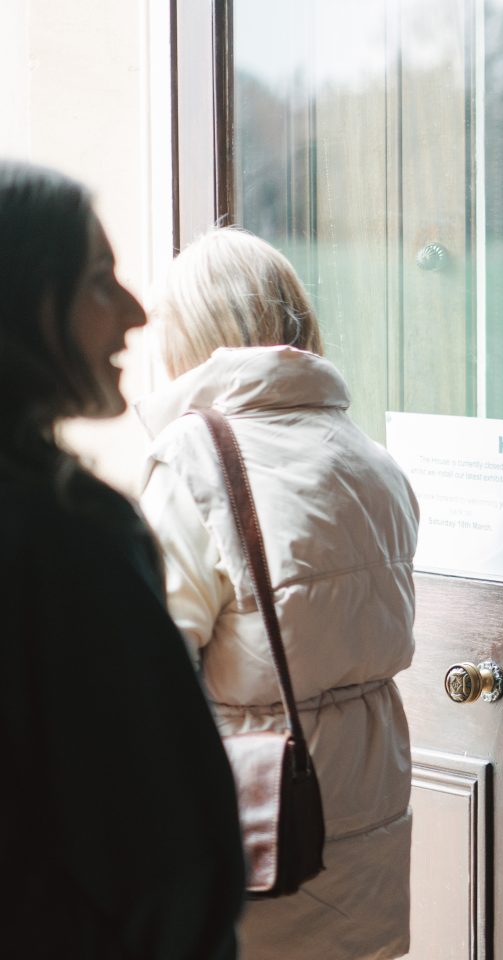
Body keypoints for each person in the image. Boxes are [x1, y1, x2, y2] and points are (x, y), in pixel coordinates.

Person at [136, 228, 420, 960]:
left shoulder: (197, 460)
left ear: (192, 334)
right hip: (368, 807)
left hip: (259, 825)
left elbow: (149, 675)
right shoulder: (370, 455)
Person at [0, 160, 245, 958]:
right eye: (101, 280)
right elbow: (167, 847)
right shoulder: (73, 536)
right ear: (24, 299)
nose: (136, 314)